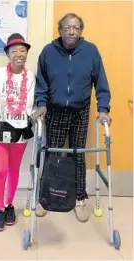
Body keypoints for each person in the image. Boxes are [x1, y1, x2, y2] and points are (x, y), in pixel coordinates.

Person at [33, 13, 112, 222]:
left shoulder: (91, 51)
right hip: (55, 110)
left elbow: (101, 83)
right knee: (53, 155)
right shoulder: (48, 52)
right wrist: (41, 105)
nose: (71, 31)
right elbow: (41, 84)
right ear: (59, 31)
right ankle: (46, 198)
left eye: (76, 27)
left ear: (81, 31)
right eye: (67, 27)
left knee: (78, 155)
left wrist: (103, 109)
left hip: (80, 111)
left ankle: (78, 199)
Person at [0, 33, 35, 231]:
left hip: (20, 134)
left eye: (22, 50)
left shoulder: (31, 78)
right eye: (14, 50)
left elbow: (32, 104)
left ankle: (10, 204)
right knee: (1, 170)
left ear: (27, 53)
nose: (19, 54)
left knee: (14, 171)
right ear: (8, 54)